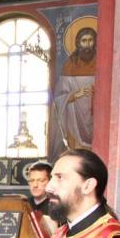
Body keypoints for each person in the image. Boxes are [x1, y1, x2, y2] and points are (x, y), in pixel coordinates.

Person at [50, 26, 97, 160]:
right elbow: (58, 99)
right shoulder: (69, 66)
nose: (87, 45)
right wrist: (73, 95)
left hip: (96, 114)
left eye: (90, 40)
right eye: (84, 41)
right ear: (78, 43)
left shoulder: (102, 62)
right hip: (74, 120)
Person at [26, 161, 59, 238]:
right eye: (32, 180)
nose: (35, 185)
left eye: (41, 180)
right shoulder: (23, 204)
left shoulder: (58, 205)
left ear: (50, 182)